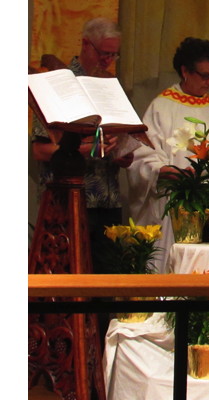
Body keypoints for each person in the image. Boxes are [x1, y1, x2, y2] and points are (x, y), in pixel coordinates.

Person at [127, 37, 209, 272]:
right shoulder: (161, 107)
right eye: (204, 75)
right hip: (176, 207)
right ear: (185, 71)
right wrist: (161, 170)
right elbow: (142, 154)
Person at [31, 18, 133, 272]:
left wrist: (122, 152)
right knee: (71, 276)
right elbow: (39, 150)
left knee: (107, 278)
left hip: (108, 199)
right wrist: (78, 149)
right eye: (103, 53)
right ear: (86, 45)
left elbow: (123, 137)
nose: (107, 60)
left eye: (113, 54)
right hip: (70, 198)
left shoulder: (110, 85)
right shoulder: (60, 84)